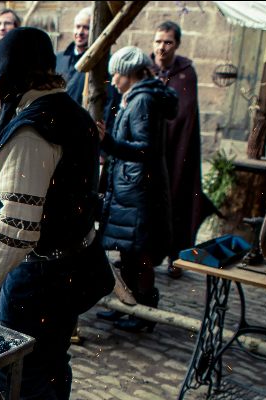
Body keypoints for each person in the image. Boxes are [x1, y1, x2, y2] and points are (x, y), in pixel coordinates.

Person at [0, 28, 114, 400]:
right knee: (53, 360)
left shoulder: (34, 127)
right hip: (71, 264)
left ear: (7, 75)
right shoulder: (70, 112)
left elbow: (16, 228)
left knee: (23, 369)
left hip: (41, 275)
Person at [96, 46, 176, 332]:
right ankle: (128, 305)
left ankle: (143, 312)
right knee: (128, 252)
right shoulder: (136, 97)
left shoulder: (142, 101)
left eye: (117, 73)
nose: (114, 80)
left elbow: (144, 148)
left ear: (129, 73)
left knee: (138, 254)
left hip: (139, 189)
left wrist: (109, 143)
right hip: (132, 186)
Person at [149, 21, 215, 279]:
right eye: (158, 41)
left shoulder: (186, 73)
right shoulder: (148, 70)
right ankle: (148, 255)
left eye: (167, 42)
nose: (161, 47)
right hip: (151, 150)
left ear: (176, 44)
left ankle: (175, 257)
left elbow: (184, 114)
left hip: (177, 153)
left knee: (177, 201)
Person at [56, 7, 92, 104]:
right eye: (78, 26)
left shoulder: (97, 63)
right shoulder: (58, 59)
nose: (80, 32)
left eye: (86, 28)